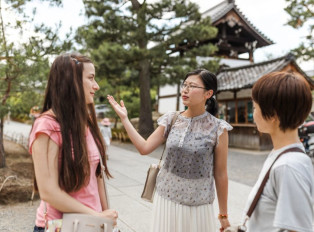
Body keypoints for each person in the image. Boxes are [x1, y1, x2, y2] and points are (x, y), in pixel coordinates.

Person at [108, 69, 232, 232]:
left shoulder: (218, 128)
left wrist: (223, 216)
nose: (185, 89)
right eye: (184, 85)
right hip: (166, 199)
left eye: (192, 86)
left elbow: (221, 174)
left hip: (198, 204)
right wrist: (124, 118)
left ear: (208, 93)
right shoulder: (171, 118)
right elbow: (144, 148)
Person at [29, 53, 118, 232]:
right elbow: (48, 192)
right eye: (91, 78)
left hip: (92, 225)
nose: (97, 86)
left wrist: (106, 219)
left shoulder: (86, 122)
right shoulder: (47, 126)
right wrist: (97, 216)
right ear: (71, 81)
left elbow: (97, 176)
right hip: (61, 226)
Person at [244, 72, 314, 231]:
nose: (253, 114)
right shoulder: (283, 155)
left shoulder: (288, 165)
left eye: (255, 107)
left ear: (273, 114)